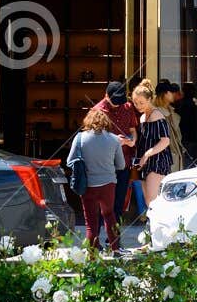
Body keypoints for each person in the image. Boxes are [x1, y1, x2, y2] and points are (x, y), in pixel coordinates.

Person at [68, 107, 125, 252]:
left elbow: (70, 161)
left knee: (91, 222)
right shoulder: (114, 140)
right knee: (109, 215)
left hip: (88, 185)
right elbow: (121, 165)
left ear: (88, 121)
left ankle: (92, 255)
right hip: (108, 185)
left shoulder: (80, 138)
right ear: (106, 122)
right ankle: (116, 249)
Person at [89, 81, 137, 237]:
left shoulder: (128, 107)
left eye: (120, 102)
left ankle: (114, 241)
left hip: (123, 162)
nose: (117, 105)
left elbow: (133, 130)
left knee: (118, 204)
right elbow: (91, 139)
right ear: (106, 95)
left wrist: (132, 140)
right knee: (99, 205)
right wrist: (114, 139)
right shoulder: (97, 111)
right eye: (114, 102)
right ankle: (95, 242)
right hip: (103, 165)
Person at [132, 81, 174, 212]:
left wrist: (147, 154)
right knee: (148, 200)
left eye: (141, 103)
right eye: (135, 103)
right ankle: (154, 229)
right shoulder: (142, 117)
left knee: (153, 199)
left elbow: (165, 141)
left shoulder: (157, 115)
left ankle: (160, 229)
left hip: (157, 161)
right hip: (144, 162)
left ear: (150, 99)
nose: (138, 106)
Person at [155, 81, 187, 171]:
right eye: (170, 92)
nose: (173, 94)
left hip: (175, 156)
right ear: (165, 94)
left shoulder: (171, 112)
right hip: (164, 159)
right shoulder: (156, 113)